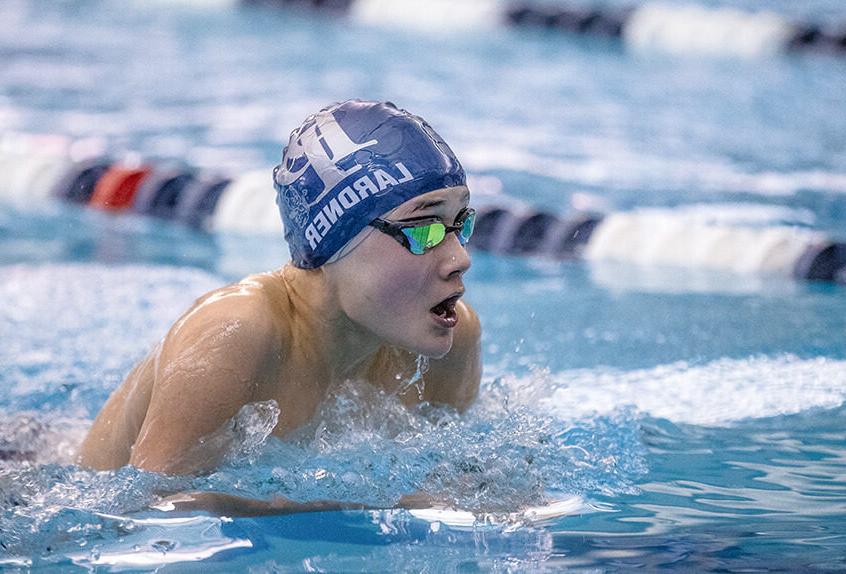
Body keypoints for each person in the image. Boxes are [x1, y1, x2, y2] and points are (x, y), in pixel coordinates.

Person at [77, 100, 482, 513]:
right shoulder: (235, 334)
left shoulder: (450, 341)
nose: (459, 259)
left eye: (460, 224)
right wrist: (370, 508)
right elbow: (150, 514)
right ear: (333, 241)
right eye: (424, 231)